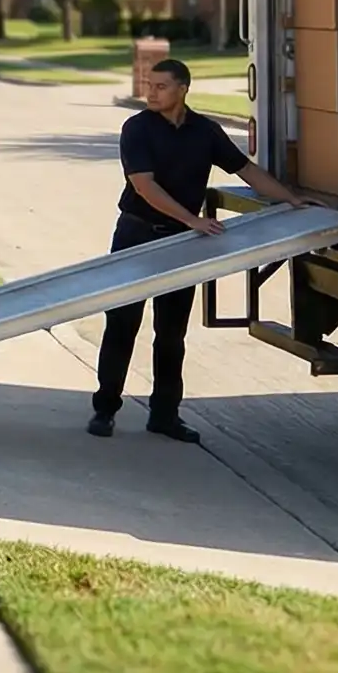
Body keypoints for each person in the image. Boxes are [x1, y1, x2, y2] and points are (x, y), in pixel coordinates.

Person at [89, 57, 306, 444]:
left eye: (160, 86)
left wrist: (291, 200)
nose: (150, 92)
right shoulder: (137, 128)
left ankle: (165, 414)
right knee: (122, 324)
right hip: (137, 235)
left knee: (171, 333)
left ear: (182, 89)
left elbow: (246, 170)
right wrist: (193, 219)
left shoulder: (205, 132)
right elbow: (144, 186)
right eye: (149, 85)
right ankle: (105, 409)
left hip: (182, 242)